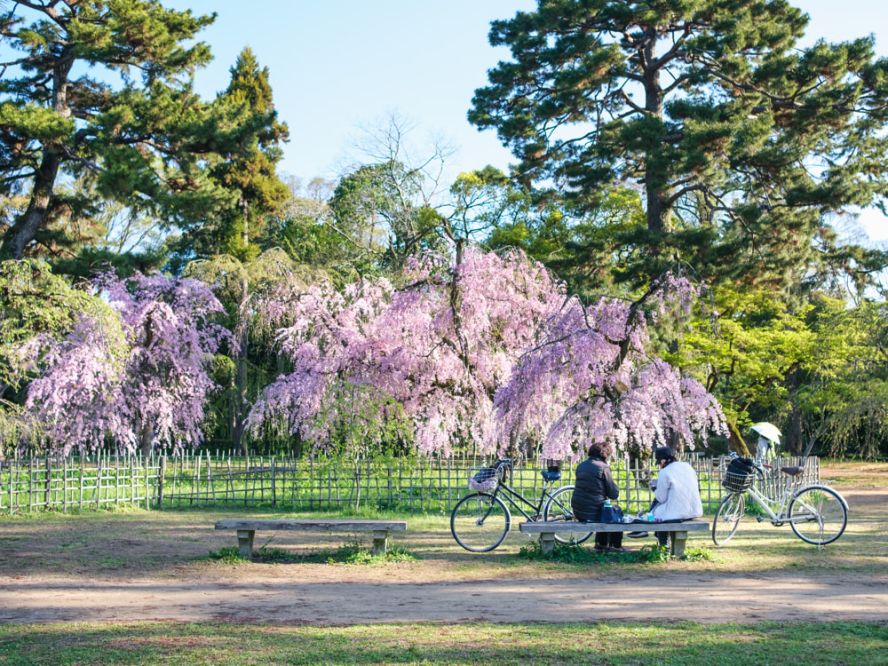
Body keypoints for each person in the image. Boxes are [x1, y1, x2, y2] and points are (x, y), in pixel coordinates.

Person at [630, 446, 704, 544]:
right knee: (659, 511)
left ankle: (662, 543)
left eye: (659, 463)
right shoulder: (687, 466)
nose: (659, 465)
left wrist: (655, 488)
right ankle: (650, 533)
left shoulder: (664, 472)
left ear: (663, 461)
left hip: (677, 513)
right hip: (694, 510)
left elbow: (661, 498)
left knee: (657, 513)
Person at [571, 441, 624, 553]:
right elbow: (613, 494)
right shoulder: (603, 467)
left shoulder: (581, 466)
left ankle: (601, 544)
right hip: (592, 512)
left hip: (578, 511)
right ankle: (615, 545)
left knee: (603, 508)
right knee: (616, 511)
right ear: (605, 455)